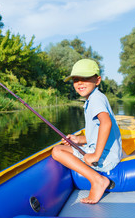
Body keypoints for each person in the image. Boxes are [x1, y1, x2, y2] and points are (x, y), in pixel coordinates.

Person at [52, 59, 122, 204]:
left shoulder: (96, 100)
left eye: (85, 78)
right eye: (76, 80)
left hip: (104, 157)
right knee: (60, 148)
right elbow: (97, 132)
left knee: (57, 152)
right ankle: (96, 177)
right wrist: (78, 140)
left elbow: (106, 123)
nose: (79, 83)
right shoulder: (94, 98)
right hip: (105, 152)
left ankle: (97, 180)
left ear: (97, 80)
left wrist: (95, 155)